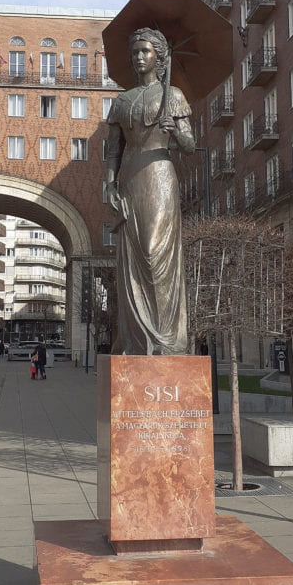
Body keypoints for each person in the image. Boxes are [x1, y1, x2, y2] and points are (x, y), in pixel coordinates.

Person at [106, 27, 195, 355]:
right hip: (129, 179)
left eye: (145, 51)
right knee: (130, 255)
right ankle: (135, 339)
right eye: (135, 52)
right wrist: (108, 184)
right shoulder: (122, 101)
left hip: (160, 175)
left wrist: (176, 132)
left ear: (159, 56)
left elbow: (190, 146)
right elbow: (113, 149)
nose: (139, 57)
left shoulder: (174, 96)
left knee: (154, 251)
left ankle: (166, 339)